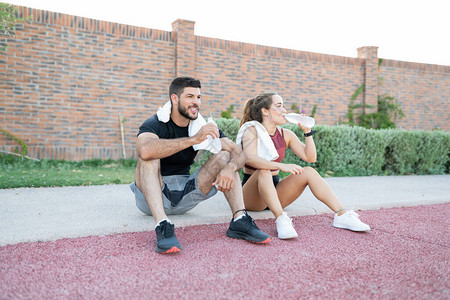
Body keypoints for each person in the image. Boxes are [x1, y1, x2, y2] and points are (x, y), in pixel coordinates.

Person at [130, 77, 270, 254]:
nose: (196, 102)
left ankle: (239, 219)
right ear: (174, 98)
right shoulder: (155, 123)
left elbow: (239, 153)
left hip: (185, 194)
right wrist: (194, 139)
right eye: (190, 96)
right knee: (148, 157)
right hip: (153, 197)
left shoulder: (203, 125)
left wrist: (230, 168)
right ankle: (162, 225)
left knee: (226, 155)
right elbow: (144, 150)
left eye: (198, 97)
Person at [237, 92, 370, 239]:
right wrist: (281, 166)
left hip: (276, 192)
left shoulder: (285, 134)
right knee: (264, 171)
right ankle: (281, 219)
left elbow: (310, 157)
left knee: (309, 171)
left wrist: (307, 131)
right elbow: (250, 158)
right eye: (279, 106)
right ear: (265, 111)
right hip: (252, 195)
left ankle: (342, 215)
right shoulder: (252, 130)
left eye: (284, 106)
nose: (284, 110)